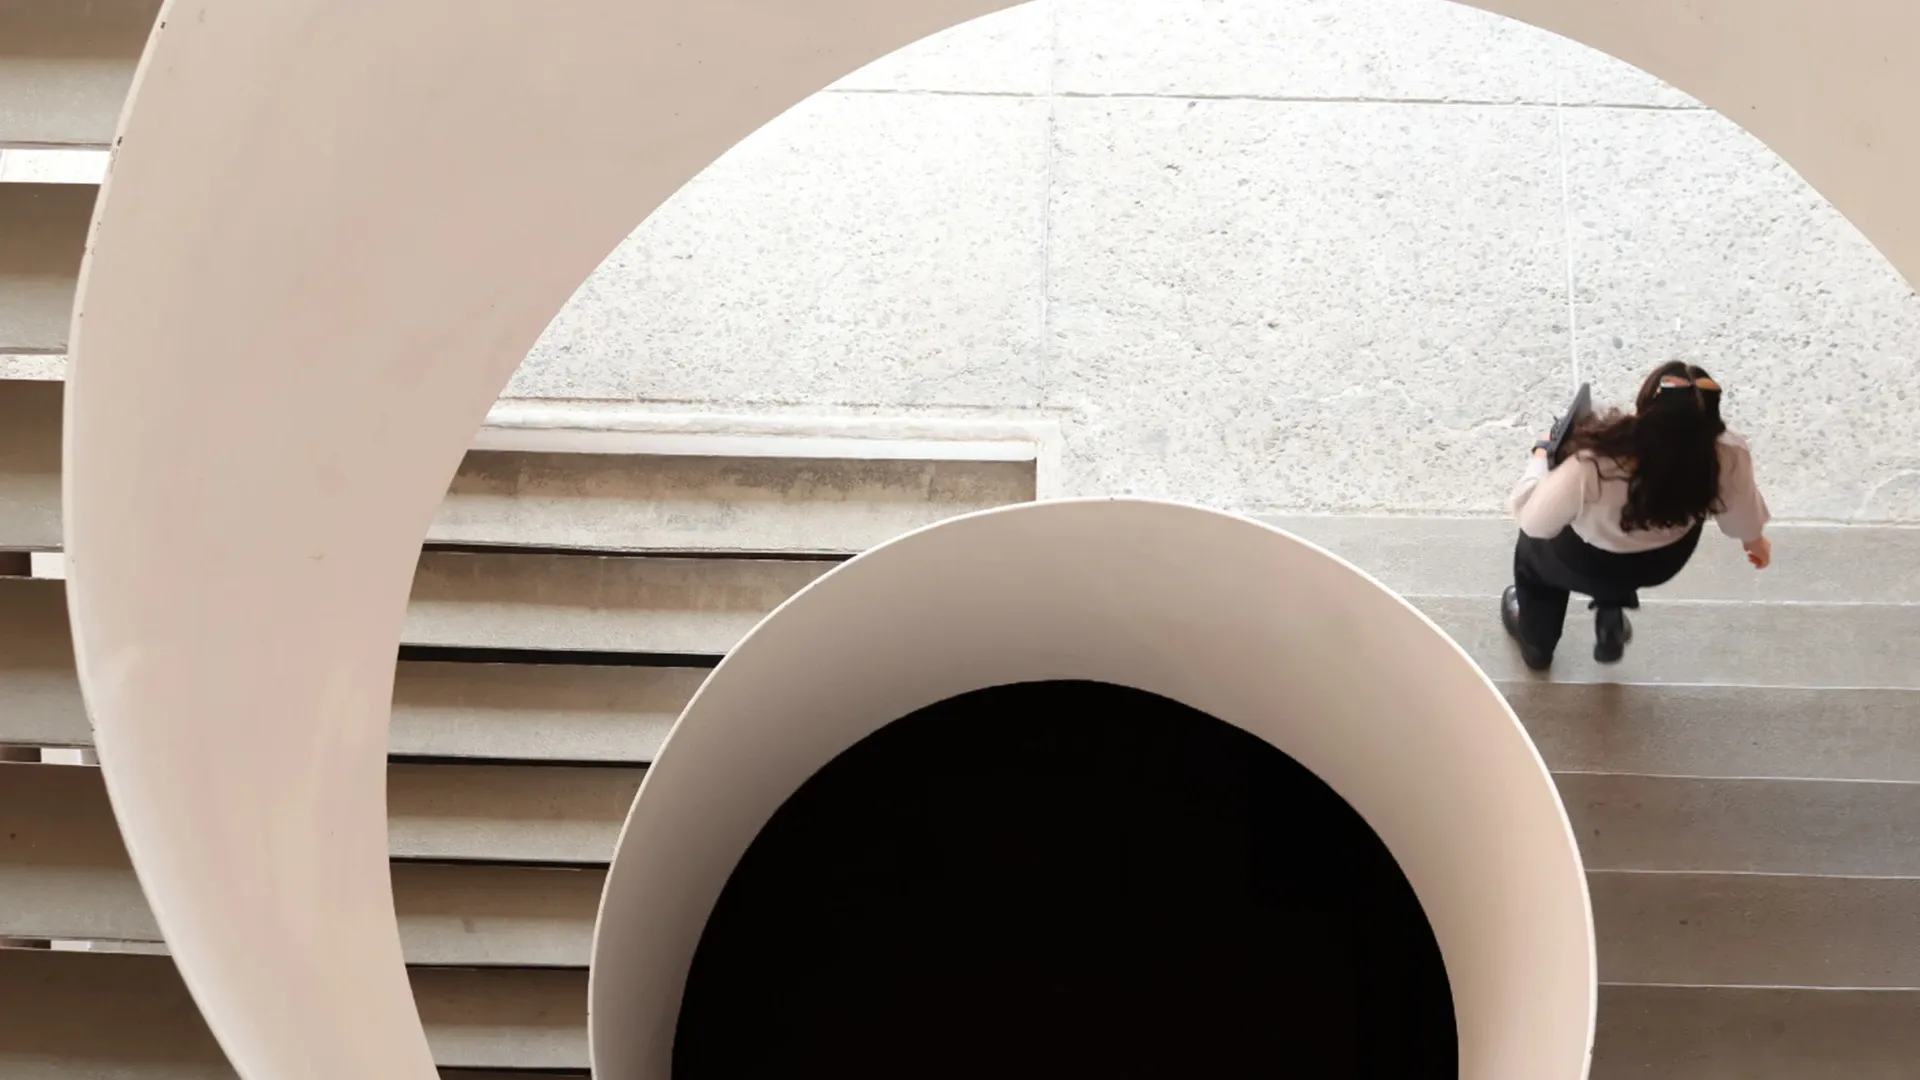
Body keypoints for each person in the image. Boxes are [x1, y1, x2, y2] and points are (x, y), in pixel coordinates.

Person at [1502, 361, 1771, 670]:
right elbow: (1739, 519)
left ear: (1646, 407)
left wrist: (1541, 456)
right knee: (1619, 552)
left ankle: (1538, 646)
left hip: (1584, 562)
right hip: (1662, 561)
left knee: (1532, 560)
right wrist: (1755, 541)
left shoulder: (1593, 463)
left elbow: (1533, 521)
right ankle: (1609, 617)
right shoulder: (1729, 452)